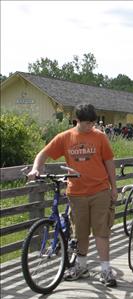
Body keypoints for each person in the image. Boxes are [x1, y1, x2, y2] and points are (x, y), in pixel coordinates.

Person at [27, 103, 118, 287]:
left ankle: (106, 270)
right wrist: (36, 169)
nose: (90, 127)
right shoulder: (66, 137)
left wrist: (114, 188)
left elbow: (109, 162)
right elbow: (43, 154)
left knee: (101, 231)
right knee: (80, 232)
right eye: (87, 124)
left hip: (100, 190)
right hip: (76, 193)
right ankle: (81, 267)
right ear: (77, 120)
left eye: (93, 123)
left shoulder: (100, 137)